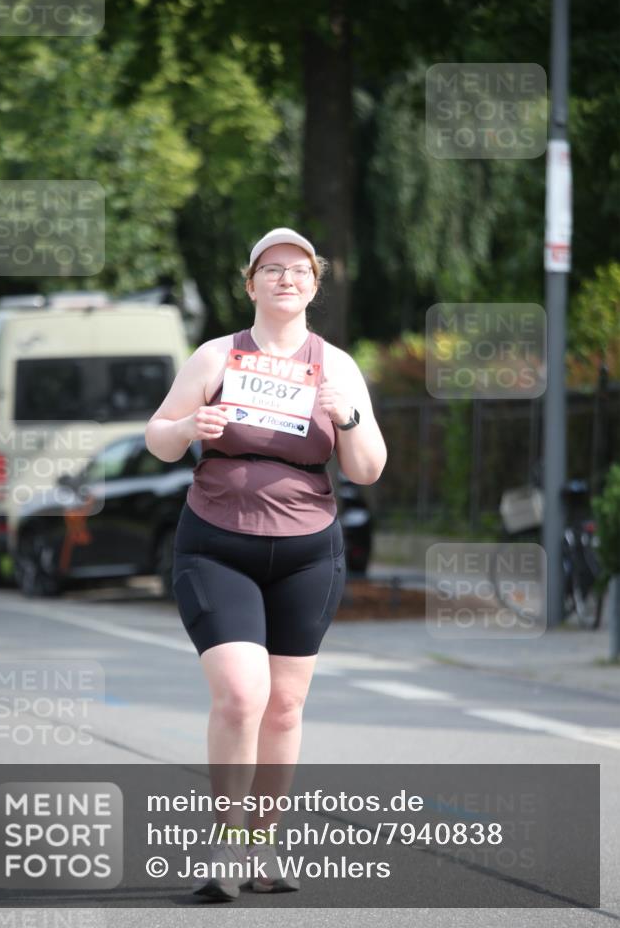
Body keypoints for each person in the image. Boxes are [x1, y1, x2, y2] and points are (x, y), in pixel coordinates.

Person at [145, 227, 387, 900]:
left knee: (283, 707)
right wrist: (191, 427)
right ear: (249, 284)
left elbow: (366, 469)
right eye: (271, 269)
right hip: (216, 542)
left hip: (310, 551)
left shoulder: (336, 366)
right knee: (242, 694)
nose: (285, 278)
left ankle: (262, 845)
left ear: (313, 285)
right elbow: (158, 438)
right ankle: (225, 846)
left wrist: (349, 419)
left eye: (298, 270)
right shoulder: (216, 355)